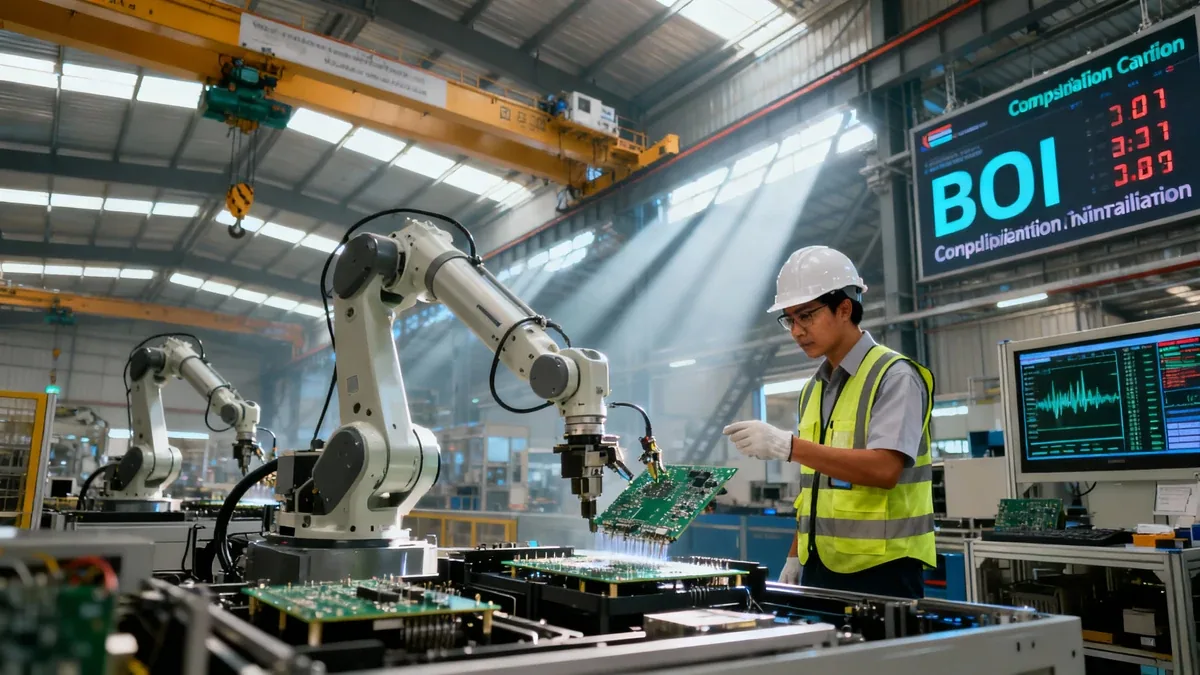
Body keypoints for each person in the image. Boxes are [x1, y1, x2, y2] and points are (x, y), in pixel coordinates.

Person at [721, 246, 935, 599]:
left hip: (883, 571)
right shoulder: (813, 390)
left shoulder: (894, 376)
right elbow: (815, 489)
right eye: (790, 319)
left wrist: (788, 446)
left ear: (845, 309)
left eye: (806, 316)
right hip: (821, 564)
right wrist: (795, 554)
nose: (796, 331)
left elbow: (885, 469)